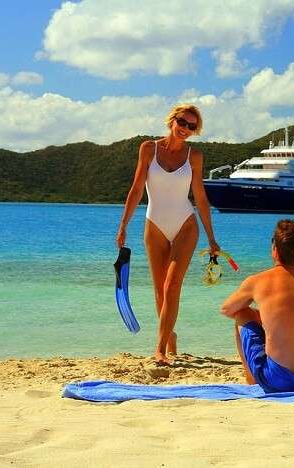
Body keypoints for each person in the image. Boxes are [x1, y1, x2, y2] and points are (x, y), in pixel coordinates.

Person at [116, 104, 219, 365]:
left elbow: (201, 198)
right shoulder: (148, 148)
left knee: (172, 286)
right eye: (182, 122)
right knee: (160, 292)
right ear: (172, 120)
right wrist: (124, 225)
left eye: (192, 126)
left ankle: (159, 349)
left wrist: (211, 237)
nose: (185, 129)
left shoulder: (194, 156)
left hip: (186, 224)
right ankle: (170, 336)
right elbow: (137, 188)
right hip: (155, 225)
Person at [220, 219, 294, 392]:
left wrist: (263, 319)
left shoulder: (258, 281)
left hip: (277, 379)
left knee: (242, 313)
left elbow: (227, 309)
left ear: (275, 250)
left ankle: (251, 379)